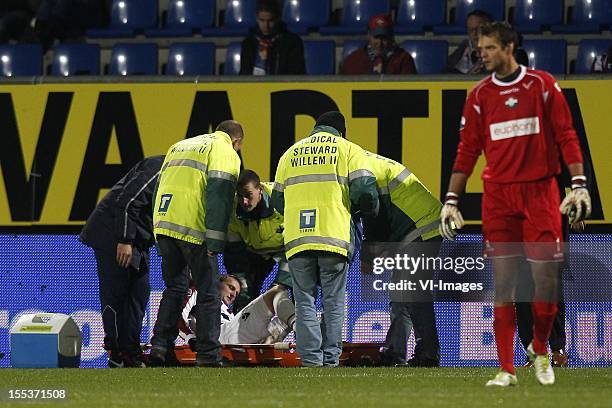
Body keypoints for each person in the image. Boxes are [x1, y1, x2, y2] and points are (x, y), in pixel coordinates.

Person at [440, 22, 591, 386]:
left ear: (509, 47)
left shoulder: (541, 86)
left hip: (540, 193)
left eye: (490, 47)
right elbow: (467, 152)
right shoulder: (478, 95)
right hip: (499, 197)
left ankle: (543, 348)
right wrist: (451, 200)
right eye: (480, 47)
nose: (483, 54)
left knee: (545, 282)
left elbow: (567, 136)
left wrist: (579, 184)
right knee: (504, 284)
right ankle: (506, 367)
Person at [272, 111, 379, 367]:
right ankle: (330, 360)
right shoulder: (349, 149)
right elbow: (365, 191)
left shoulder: (290, 153)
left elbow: (276, 200)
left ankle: (311, 361)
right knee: (333, 302)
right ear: (342, 131)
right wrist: (360, 210)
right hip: (333, 236)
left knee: (305, 301)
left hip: (298, 238)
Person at [149, 120, 243, 368]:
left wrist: (157, 232)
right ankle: (208, 355)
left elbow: (158, 188)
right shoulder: (225, 152)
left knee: (175, 289)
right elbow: (219, 196)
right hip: (194, 230)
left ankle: (160, 348)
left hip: (165, 224)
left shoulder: (180, 145)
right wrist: (215, 239)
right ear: (237, 142)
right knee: (209, 293)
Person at [80, 155, 164, 368]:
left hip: (136, 238)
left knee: (140, 291)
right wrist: (125, 240)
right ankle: (117, 352)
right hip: (113, 235)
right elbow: (127, 201)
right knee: (116, 293)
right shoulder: (160, 167)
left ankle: (130, 349)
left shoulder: (177, 173)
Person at [360, 151, 442, 367]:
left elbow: (372, 213)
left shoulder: (361, 171)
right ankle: (394, 353)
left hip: (422, 227)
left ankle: (428, 354)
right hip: (416, 227)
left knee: (413, 292)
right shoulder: (368, 163)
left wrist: (367, 257)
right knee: (401, 295)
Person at [224, 169, 292, 312]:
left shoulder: (283, 200)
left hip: (287, 250)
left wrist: (280, 283)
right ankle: (241, 331)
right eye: (240, 196)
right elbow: (234, 252)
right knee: (244, 292)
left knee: (289, 292)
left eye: (249, 195)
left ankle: (299, 331)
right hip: (255, 251)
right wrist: (241, 281)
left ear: (260, 189)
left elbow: (297, 243)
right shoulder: (232, 209)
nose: (244, 202)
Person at [179, 275, 296, 346]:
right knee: (276, 291)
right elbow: (175, 318)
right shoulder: (199, 292)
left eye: (236, 293)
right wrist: (190, 338)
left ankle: (267, 342)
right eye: (231, 288)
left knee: (285, 319)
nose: (233, 294)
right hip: (219, 335)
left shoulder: (230, 314)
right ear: (218, 283)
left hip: (233, 336)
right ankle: (302, 330)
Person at [239, 0, 305, 75]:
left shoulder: (292, 42)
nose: (266, 25)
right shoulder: (248, 44)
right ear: (257, 18)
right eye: (262, 20)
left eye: (270, 21)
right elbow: (244, 73)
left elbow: (296, 73)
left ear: (278, 19)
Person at [340, 13, 416, 75]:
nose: (379, 43)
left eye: (384, 38)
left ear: (391, 36)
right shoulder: (354, 60)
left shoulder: (403, 60)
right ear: (369, 35)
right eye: (376, 37)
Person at [445, 10, 493, 74]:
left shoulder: (499, 51)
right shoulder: (463, 48)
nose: (474, 33)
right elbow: (445, 75)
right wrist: (468, 77)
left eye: (479, 29)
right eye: (471, 30)